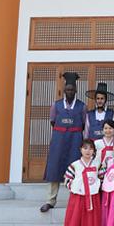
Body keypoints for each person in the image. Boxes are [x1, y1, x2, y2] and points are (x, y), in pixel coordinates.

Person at [42, 72, 86, 213]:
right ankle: (50, 200)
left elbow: (84, 124)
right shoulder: (56, 105)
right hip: (59, 141)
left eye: (72, 90)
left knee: (74, 170)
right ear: (64, 90)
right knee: (54, 169)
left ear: (76, 90)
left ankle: (73, 200)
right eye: (68, 89)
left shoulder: (82, 106)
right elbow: (53, 121)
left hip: (75, 141)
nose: (70, 92)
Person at [60, 139, 102, 226]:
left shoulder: (98, 164)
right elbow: (67, 180)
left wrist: (94, 186)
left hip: (93, 199)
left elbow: (102, 178)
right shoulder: (75, 165)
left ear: (94, 151)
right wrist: (78, 186)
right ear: (80, 149)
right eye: (85, 148)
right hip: (77, 199)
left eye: (90, 148)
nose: (88, 151)